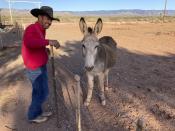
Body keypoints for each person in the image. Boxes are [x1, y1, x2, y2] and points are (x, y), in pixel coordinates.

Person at [21, 6, 60, 123]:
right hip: (34, 68)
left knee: (39, 92)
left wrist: (44, 49)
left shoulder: (41, 29)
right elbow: (30, 42)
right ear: (39, 17)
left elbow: (37, 44)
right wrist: (49, 41)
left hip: (41, 65)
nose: (49, 22)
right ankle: (32, 116)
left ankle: (38, 112)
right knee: (42, 93)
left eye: (51, 20)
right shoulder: (31, 28)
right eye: (47, 19)